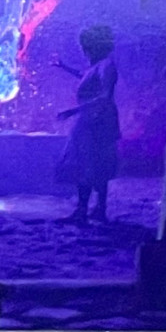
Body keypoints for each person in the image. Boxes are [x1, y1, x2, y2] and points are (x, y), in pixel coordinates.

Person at [56, 24, 121, 223]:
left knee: (87, 163)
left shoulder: (106, 65)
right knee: (96, 163)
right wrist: (65, 67)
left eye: (85, 47)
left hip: (97, 121)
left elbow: (105, 96)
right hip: (93, 120)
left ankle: (83, 210)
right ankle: (98, 209)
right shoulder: (100, 64)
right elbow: (87, 77)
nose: (84, 52)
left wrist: (73, 111)